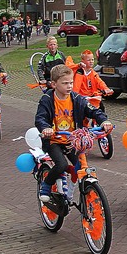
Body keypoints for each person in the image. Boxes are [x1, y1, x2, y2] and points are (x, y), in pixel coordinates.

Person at [35, 64, 113, 201]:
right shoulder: (47, 99)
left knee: (81, 166)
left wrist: (103, 121)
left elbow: (93, 110)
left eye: (71, 82)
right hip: (54, 140)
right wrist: (45, 128)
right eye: (65, 83)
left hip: (73, 141)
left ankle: (76, 195)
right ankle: (46, 185)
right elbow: (40, 118)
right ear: (54, 84)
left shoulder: (77, 98)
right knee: (61, 165)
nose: (69, 86)